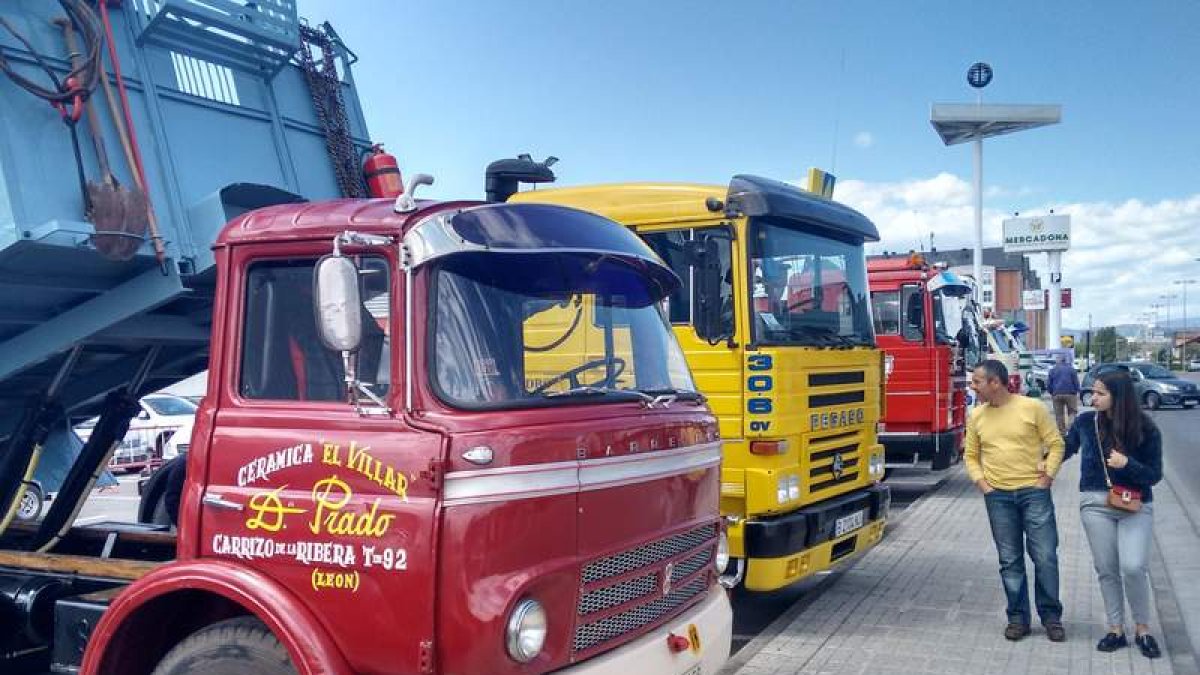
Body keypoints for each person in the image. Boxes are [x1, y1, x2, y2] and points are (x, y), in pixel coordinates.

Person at [965, 359, 1067, 642]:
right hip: (998, 496)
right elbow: (970, 456)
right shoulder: (976, 416)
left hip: (1034, 493)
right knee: (1010, 560)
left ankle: (1051, 617)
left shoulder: (1032, 407)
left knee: (1045, 557)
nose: (973, 386)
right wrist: (983, 485)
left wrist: (1048, 477)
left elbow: (1056, 443)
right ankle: (1018, 619)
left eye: (977, 382)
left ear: (994, 383)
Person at [1065, 370, 1163, 658]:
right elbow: (1066, 448)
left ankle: (1143, 628)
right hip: (1095, 504)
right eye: (1093, 392)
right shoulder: (1086, 422)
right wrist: (1043, 461)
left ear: (1118, 398)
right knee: (1106, 568)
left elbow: (1154, 475)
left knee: (1133, 567)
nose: (1092, 398)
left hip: (1135, 505)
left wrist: (1127, 464)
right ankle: (1116, 628)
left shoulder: (1146, 429)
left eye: (1100, 393)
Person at [1048, 356, 1081, 435]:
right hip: (1070, 393)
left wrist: (1052, 392)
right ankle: (1070, 429)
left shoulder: (1052, 370)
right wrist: (1077, 391)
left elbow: (1049, 384)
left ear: (1058, 361)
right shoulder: (1072, 369)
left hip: (1056, 394)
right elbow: (1076, 382)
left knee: (1059, 414)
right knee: (1072, 412)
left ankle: (1062, 432)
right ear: (1065, 361)